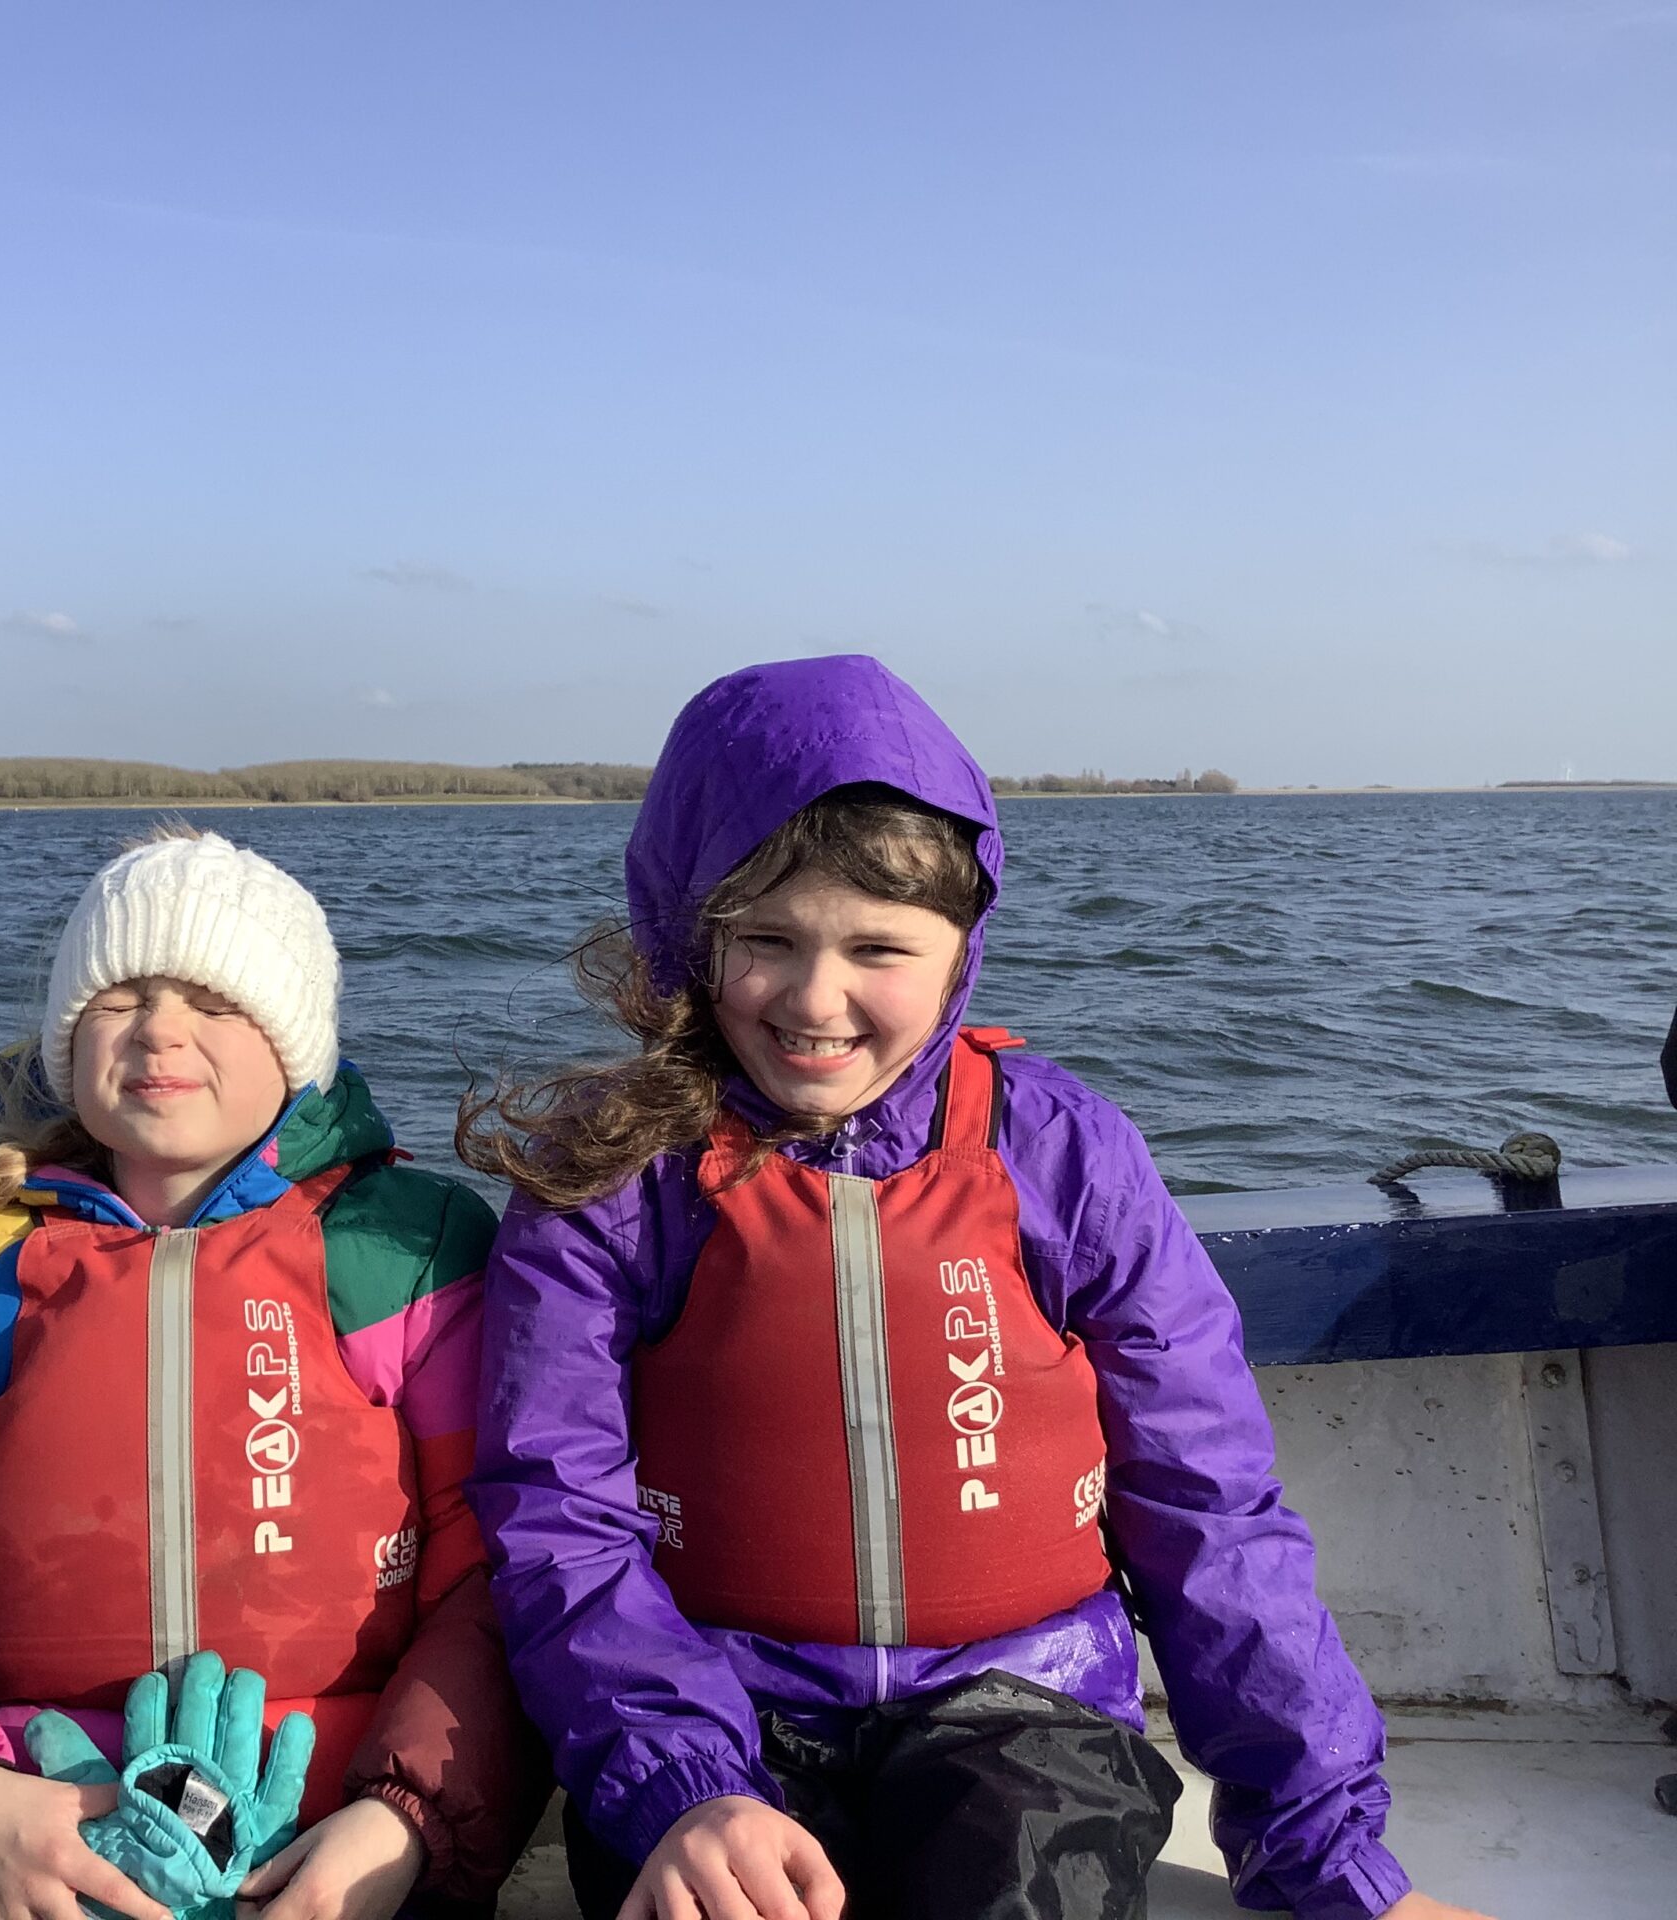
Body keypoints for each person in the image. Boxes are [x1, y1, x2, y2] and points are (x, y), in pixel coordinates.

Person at [460, 657, 1490, 1920]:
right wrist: (680, 1786)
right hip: (713, 1719)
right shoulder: (610, 1177)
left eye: (877, 948)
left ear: (961, 951)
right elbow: (555, 1511)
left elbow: (1207, 1502)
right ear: (690, 936)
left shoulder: (1066, 1154)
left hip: (1028, 1710)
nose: (816, 1000)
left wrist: (1331, 1859)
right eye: (765, 941)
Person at [0, 827, 541, 1920]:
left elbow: (499, 1576)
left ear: (296, 1046)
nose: (161, 1028)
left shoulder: (408, 1252)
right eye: (119, 999)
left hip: (338, 1841)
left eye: (215, 1002)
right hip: (36, 1833)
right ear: (69, 1042)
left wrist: (404, 1819)